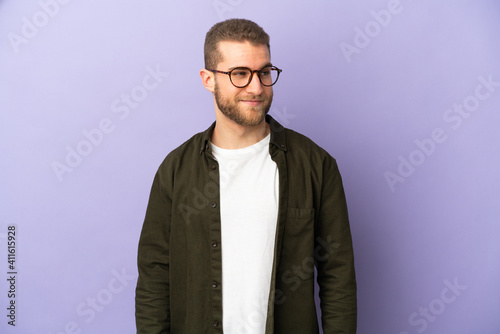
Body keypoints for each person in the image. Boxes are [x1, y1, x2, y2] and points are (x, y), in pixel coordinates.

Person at [135, 18, 357, 333]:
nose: (256, 87)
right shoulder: (175, 170)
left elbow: (338, 277)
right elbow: (154, 277)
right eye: (240, 74)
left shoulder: (316, 165)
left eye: (264, 72)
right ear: (208, 79)